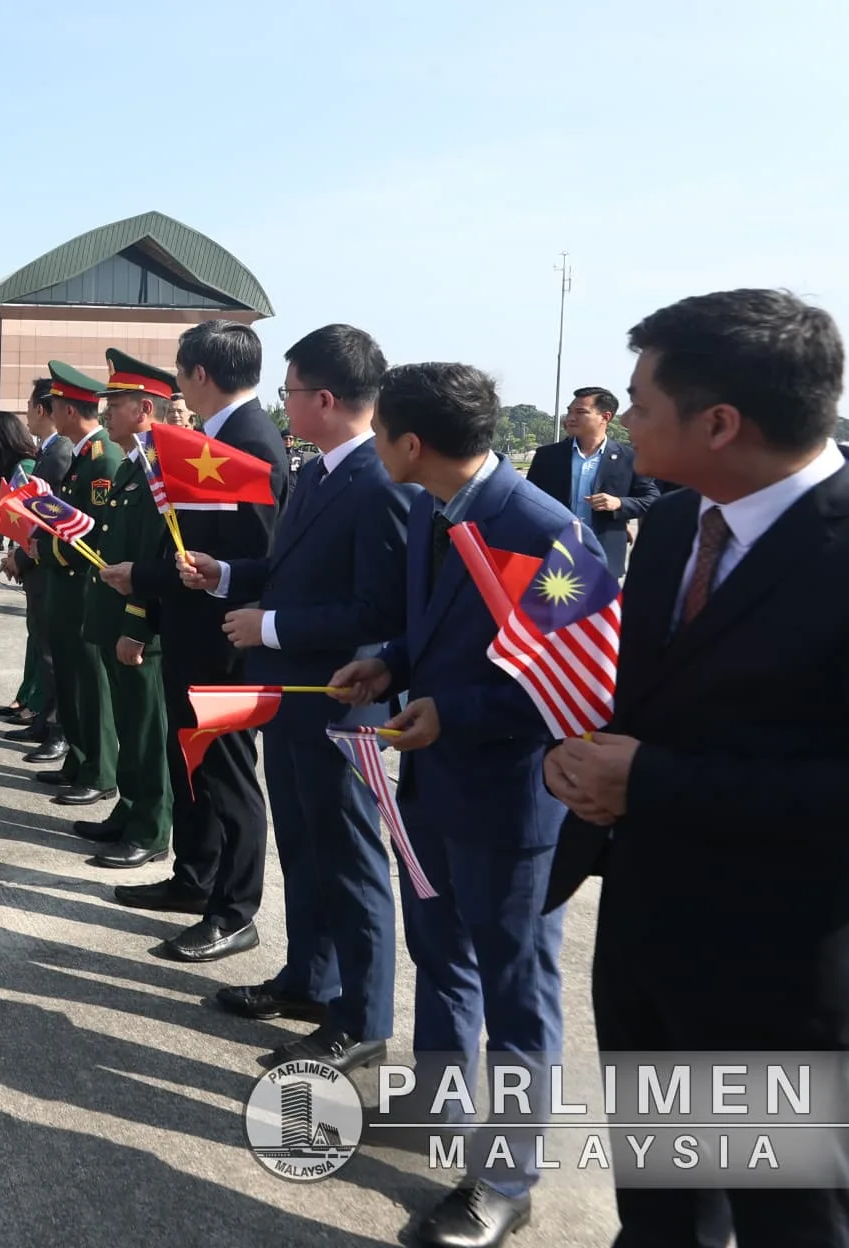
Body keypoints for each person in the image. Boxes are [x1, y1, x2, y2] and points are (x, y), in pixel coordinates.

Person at [545, 290, 849, 1248]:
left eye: (639, 403)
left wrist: (651, 781)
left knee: (786, 1218)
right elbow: (650, 704)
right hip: (646, 929)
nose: (625, 420)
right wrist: (582, 763)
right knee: (662, 1203)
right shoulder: (678, 525)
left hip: (782, 965)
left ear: (719, 423)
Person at [325, 361, 591, 1248]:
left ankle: (508, 1178)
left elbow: (576, 679)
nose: (374, 446)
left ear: (410, 443)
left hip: (508, 799)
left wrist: (458, 712)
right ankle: (436, 1106)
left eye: (380, 433)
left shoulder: (544, 529)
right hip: (431, 783)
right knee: (439, 954)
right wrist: (390, 662)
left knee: (517, 988)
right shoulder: (431, 510)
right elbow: (435, 625)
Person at [177, 326, 410, 1073]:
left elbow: (381, 612)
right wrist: (223, 576)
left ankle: (363, 1019)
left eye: (290, 391)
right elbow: (284, 571)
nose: (285, 404)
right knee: (305, 848)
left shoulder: (381, 482)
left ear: (326, 399)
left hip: (343, 703)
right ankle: (311, 979)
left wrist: (269, 626)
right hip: (293, 697)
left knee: (350, 860)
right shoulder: (317, 472)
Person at [114, 319, 289, 961]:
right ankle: (194, 878)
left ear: (200, 374)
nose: (179, 385)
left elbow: (259, 559)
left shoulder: (252, 442)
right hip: (191, 634)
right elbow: (189, 544)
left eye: (181, 373)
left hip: (225, 645)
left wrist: (142, 577)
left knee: (228, 775)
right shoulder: (216, 437)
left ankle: (234, 910)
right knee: (189, 763)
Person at [75, 354, 174, 852]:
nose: (105, 412)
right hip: (115, 617)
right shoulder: (135, 466)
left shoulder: (160, 470)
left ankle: (151, 828)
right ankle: (129, 808)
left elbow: (154, 555)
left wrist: (136, 625)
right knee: (130, 725)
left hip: (139, 626)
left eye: (115, 404)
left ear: (145, 409)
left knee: (146, 731)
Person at [0, 381, 73, 766]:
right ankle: (43, 720)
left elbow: (51, 522)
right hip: (37, 567)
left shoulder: (60, 453)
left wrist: (22, 559)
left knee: (53, 654)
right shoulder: (47, 451)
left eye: (29, 406)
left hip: (48, 568)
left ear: (42, 410)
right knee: (43, 648)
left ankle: (57, 730)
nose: (26, 415)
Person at [523, 386, 659, 577]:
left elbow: (652, 500)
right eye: (569, 411)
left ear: (605, 417)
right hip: (553, 557)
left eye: (580, 412)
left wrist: (619, 503)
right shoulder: (547, 456)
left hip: (604, 559)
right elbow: (528, 502)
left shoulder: (629, 458)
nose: (570, 417)